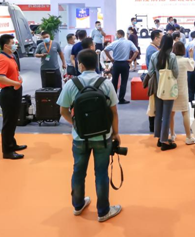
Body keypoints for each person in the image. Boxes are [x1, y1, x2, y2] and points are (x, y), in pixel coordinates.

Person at [57, 49, 122, 223]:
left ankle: (78, 205)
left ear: (81, 65)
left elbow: (63, 110)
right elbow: (114, 112)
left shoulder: (71, 84)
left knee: (78, 171)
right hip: (103, 137)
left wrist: (76, 124)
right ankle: (103, 211)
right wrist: (116, 133)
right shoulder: (106, 83)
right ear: (96, 64)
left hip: (80, 137)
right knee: (101, 173)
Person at [0, 34, 27, 160]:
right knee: (8, 123)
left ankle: (12, 144)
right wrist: (15, 83)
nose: (14, 45)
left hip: (14, 91)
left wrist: (18, 80)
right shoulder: (2, 59)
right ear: (5, 46)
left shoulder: (11, 56)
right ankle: (7, 151)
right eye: (12, 43)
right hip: (8, 93)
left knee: (13, 120)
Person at [147, 35, 179, 151]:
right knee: (166, 115)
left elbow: (150, 72)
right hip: (168, 88)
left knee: (158, 114)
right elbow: (176, 73)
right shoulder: (172, 56)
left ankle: (159, 138)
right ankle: (164, 140)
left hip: (157, 88)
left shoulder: (154, 55)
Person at [170, 42, 195, 145]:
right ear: (183, 50)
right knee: (185, 112)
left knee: (171, 113)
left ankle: (172, 135)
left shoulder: (170, 60)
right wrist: (191, 57)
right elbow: (192, 68)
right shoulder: (185, 60)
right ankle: (188, 137)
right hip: (182, 90)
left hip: (171, 90)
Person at [104, 30, 139, 105]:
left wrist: (111, 59)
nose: (116, 35)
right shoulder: (129, 42)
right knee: (124, 82)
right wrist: (131, 59)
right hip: (125, 64)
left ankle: (113, 98)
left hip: (116, 63)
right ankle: (121, 99)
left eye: (116, 34)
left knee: (114, 81)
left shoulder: (114, 42)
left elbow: (105, 50)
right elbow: (136, 51)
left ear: (119, 35)